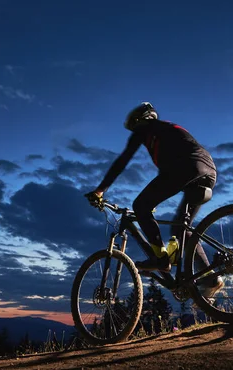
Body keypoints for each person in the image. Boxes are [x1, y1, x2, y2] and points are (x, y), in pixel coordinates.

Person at [85, 102, 224, 298]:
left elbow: (122, 162)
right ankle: (210, 278)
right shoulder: (167, 129)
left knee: (141, 205)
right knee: (181, 228)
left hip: (187, 166)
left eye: (134, 126)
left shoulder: (146, 128)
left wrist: (100, 191)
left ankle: (161, 259)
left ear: (139, 121)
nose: (134, 131)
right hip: (208, 170)